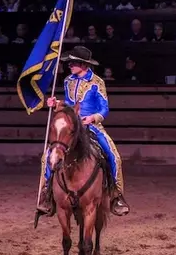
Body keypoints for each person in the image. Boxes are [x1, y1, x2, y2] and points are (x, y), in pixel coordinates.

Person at [36, 46, 130, 218]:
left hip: (92, 126)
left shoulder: (97, 82)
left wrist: (93, 118)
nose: (70, 65)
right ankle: (47, 194)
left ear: (84, 64)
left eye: (73, 63)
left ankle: (117, 196)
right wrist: (56, 103)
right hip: (72, 126)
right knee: (47, 157)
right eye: (70, 62)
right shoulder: (67, 81)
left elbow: (104, 109)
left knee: (114, 156)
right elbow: (69, 105)